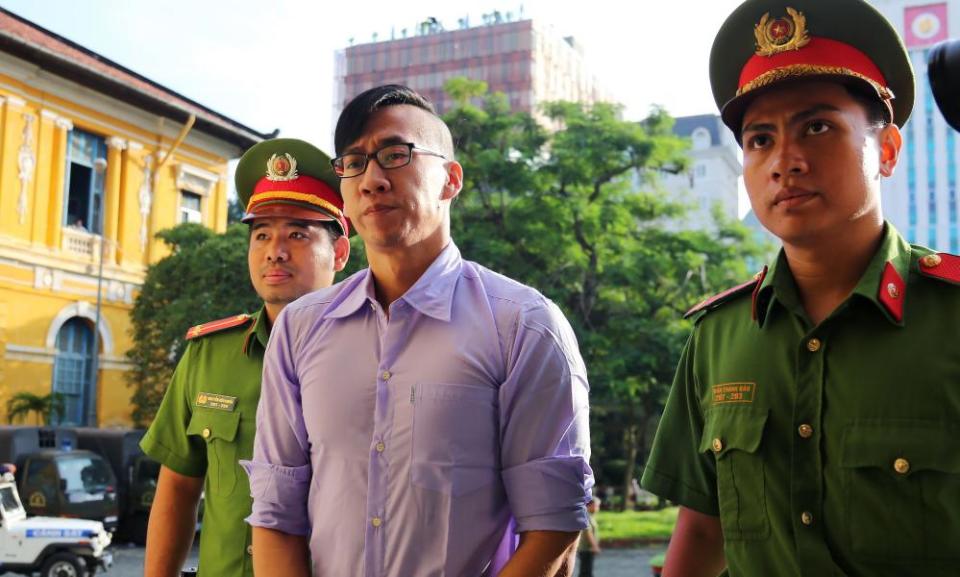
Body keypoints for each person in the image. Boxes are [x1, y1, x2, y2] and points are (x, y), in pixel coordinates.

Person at [641, 0, 960, 576]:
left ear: (886, 151)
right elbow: (702, 526)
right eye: (760, 140)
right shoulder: (719, 336)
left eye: (818, 127)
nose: (785, 160)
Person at [242, 85, 593, 577]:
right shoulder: (300, 329)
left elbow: (553, 526)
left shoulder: (523, 325)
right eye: (354, 162)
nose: (372, 180)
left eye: (394, 154)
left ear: (450, 179)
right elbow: (277, 511)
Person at [140, 138, 350, 577]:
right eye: (261, 234)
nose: (275, 249)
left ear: (341, 252)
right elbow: (178, 487)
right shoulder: (207, 354)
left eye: (297, 233)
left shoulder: (374, 356)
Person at [578, 497, 601, 577]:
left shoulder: (588, 516)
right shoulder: (587, 516)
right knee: (586, 573)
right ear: (590, 505)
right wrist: (595, 546)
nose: (598, 508)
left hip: (587, 549)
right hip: (586, 549)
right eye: (596, 506)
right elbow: (588, 532)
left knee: (586, 572)